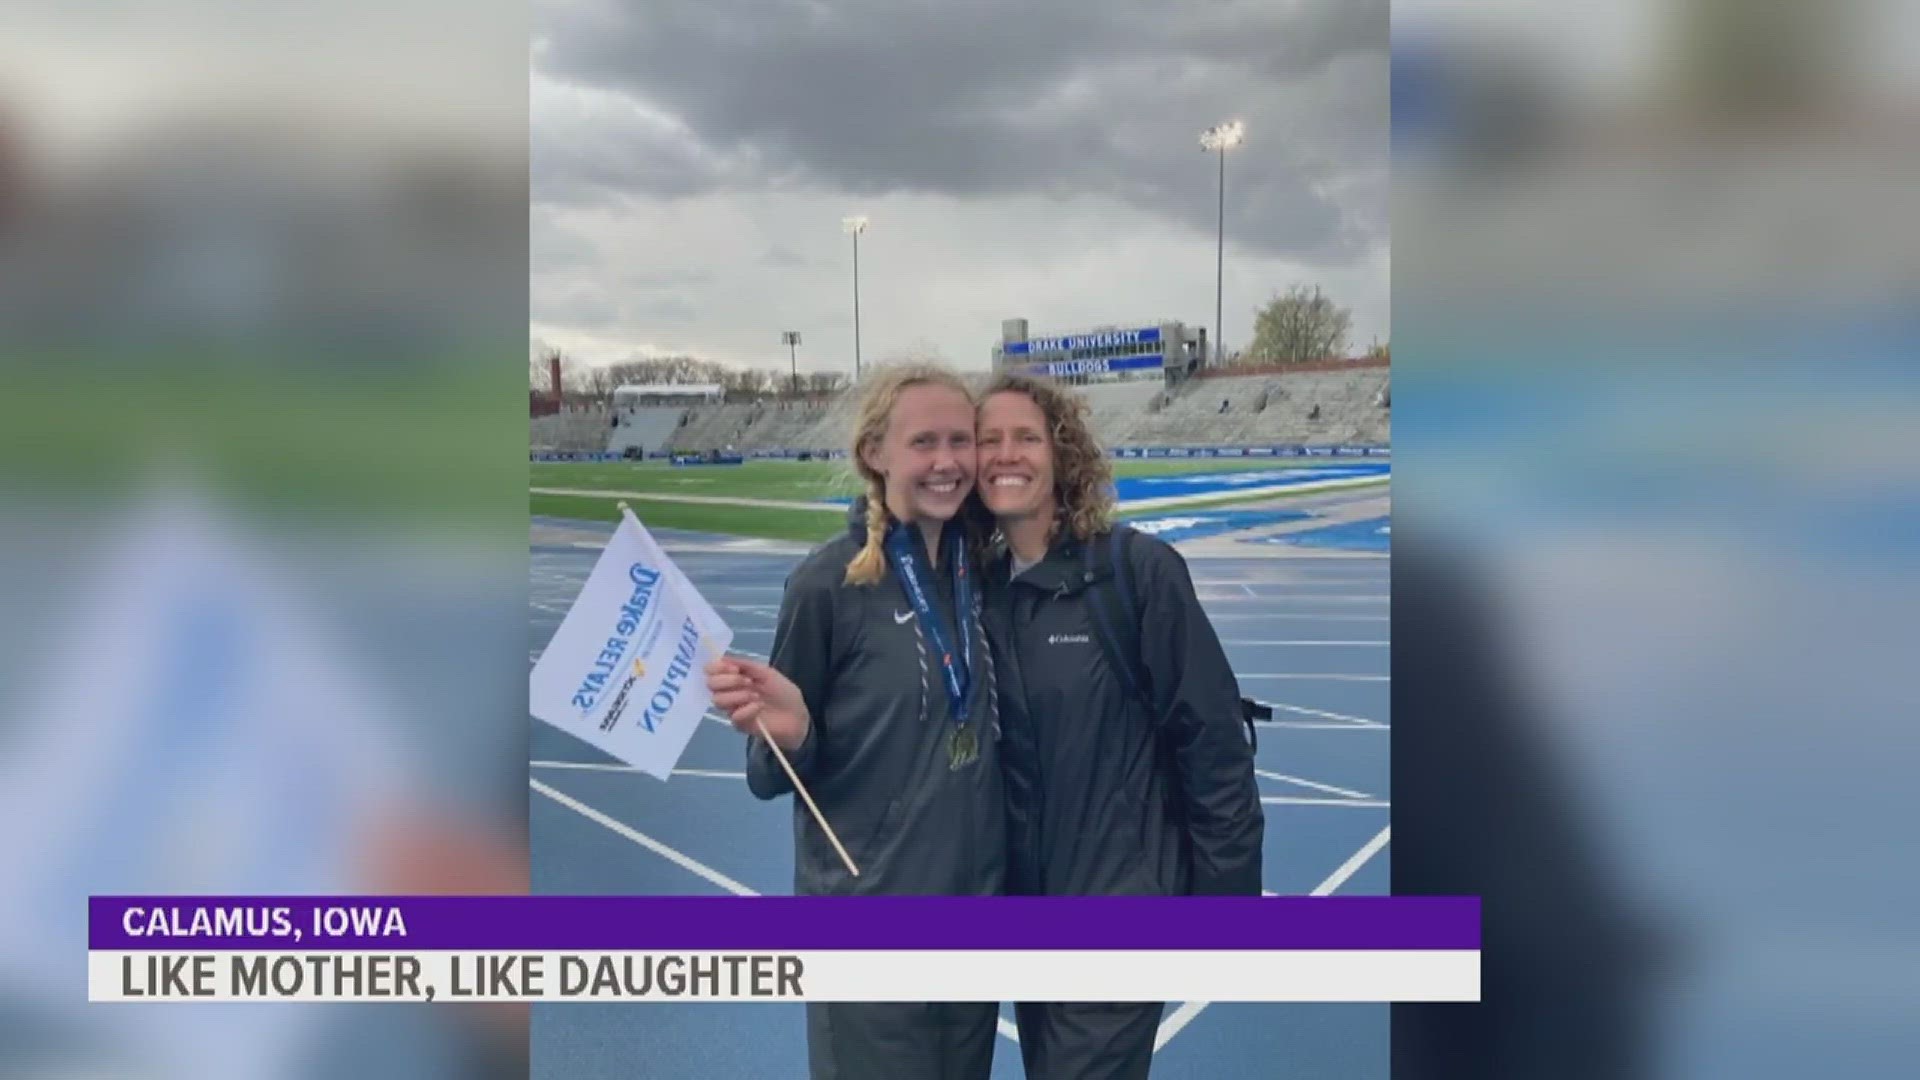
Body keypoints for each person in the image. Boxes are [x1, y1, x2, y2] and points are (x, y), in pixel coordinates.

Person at [704, 362, 1005, 1080]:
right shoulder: (827, 585)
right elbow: (765, 772)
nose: (946, 462)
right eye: (923, 442)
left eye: (960, 441)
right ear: (876, 453)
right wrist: (797, 734)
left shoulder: (982, 569)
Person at [973, 372, 1264, 1080]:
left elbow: (1214, 743)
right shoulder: (978, 585)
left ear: (1062, 453)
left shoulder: (1135, 574)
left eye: (1025, 438)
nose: (1005, 455)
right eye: (987, 441)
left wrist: (1224, 915)